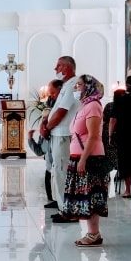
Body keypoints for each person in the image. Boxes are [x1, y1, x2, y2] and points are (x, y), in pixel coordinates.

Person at [62, 74, 109, 246]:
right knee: (85, 195)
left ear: (89, 87)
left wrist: (83, 159)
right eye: (76, 85)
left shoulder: (94, 106)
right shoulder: (84, 106)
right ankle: (92, 233)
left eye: (79, 85)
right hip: (79, 157)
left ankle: (93, 234)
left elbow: (93, 136)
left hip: (90, 158)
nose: (76, 88)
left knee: (91, 196)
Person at [42, 56, 79, 221]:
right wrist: (46, 124)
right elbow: (55, 110)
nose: (55, 69)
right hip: (57, 133)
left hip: (63, 134)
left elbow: (62, 111)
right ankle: (62, 206)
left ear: (67, 67)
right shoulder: (66, 85)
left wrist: (47, 128)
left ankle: (68, 211)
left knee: (63, 171)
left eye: (58, 66)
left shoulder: (73, 84)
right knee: (57, 170)